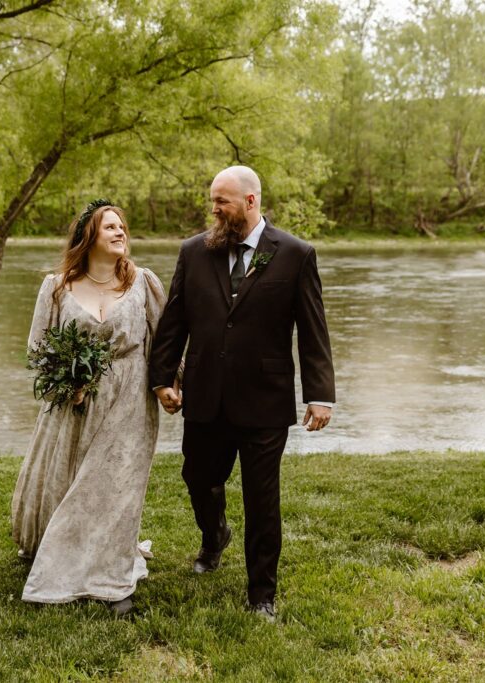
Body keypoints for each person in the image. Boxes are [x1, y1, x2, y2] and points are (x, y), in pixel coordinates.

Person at [148, 166, 336, 622]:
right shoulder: (195, 252)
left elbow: (313, 328)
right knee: (198, 478)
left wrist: (320, 394)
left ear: (250, 202)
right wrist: (163, 378)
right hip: (205, 395)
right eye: (212, 200)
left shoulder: (294, 253)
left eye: (222, 202)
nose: (214, 209)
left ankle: (261, 595)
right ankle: (214, 537)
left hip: (265, 400)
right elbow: (174, 321)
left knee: (262, 497)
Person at [11, 200, 167, 615]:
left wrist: (170, 385)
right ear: (88, 237)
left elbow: (165, 342)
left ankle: (114, 584)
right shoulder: (57, 286)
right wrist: (66, 385)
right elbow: (38, 349)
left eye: (123, 227)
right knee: (72, 482)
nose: (121, 233)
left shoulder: (143, 283)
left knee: (116, 486)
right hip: (74, 404)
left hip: (130, 399)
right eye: (110, 227)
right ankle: (65, 554)